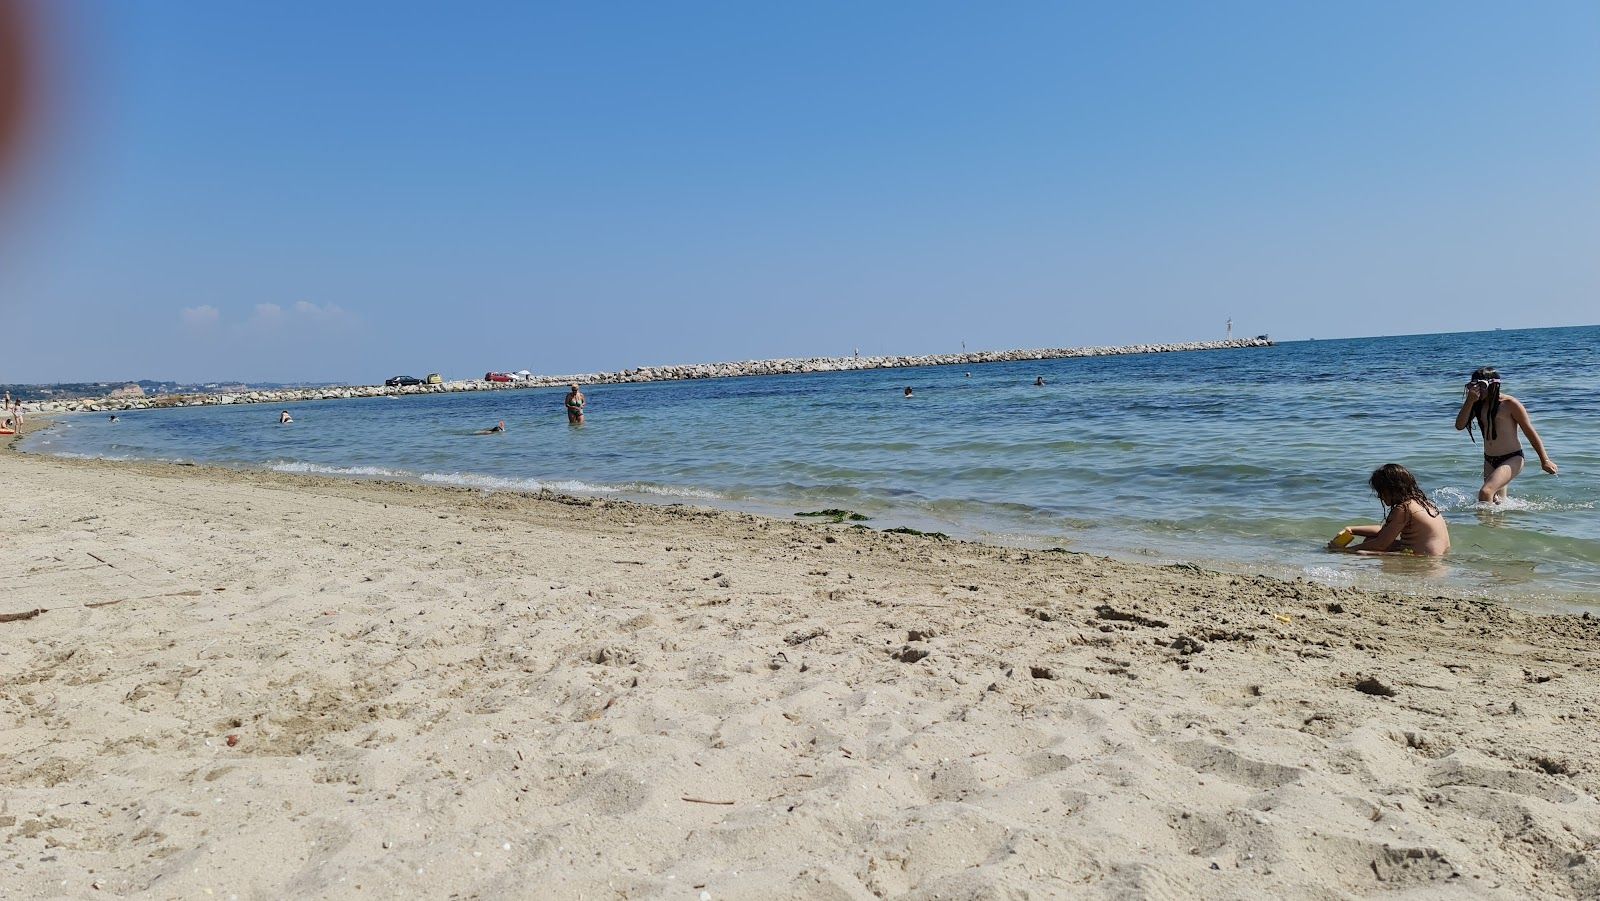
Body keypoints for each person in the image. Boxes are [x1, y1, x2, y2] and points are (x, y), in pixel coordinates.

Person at [1453, 366, 1557, 503]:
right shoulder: (1476, 404)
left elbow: (1529, 431)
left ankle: (1484, 524)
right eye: (1474, 385)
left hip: (1512, 458)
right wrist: (1469, 401)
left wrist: (1545, 460)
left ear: (1494, 385)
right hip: (1489, 460)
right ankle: (1496, 524)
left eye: (1482, 386)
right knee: (1498, 502)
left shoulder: (1510, 404)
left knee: (1485, 492)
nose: (1478, 390)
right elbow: (1459, 425)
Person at [1330, 464, 1450, 556]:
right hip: (1436, 557)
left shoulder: (1404, 508)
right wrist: (1352, 529)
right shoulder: (1423, 504)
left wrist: (1345, 551)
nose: (1379, 496)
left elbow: (1382, 544)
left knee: (1362, 553)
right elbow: (1386, 531)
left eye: (1380, 491)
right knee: (1370, 541)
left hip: (1424, 560)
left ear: (1392, 489)